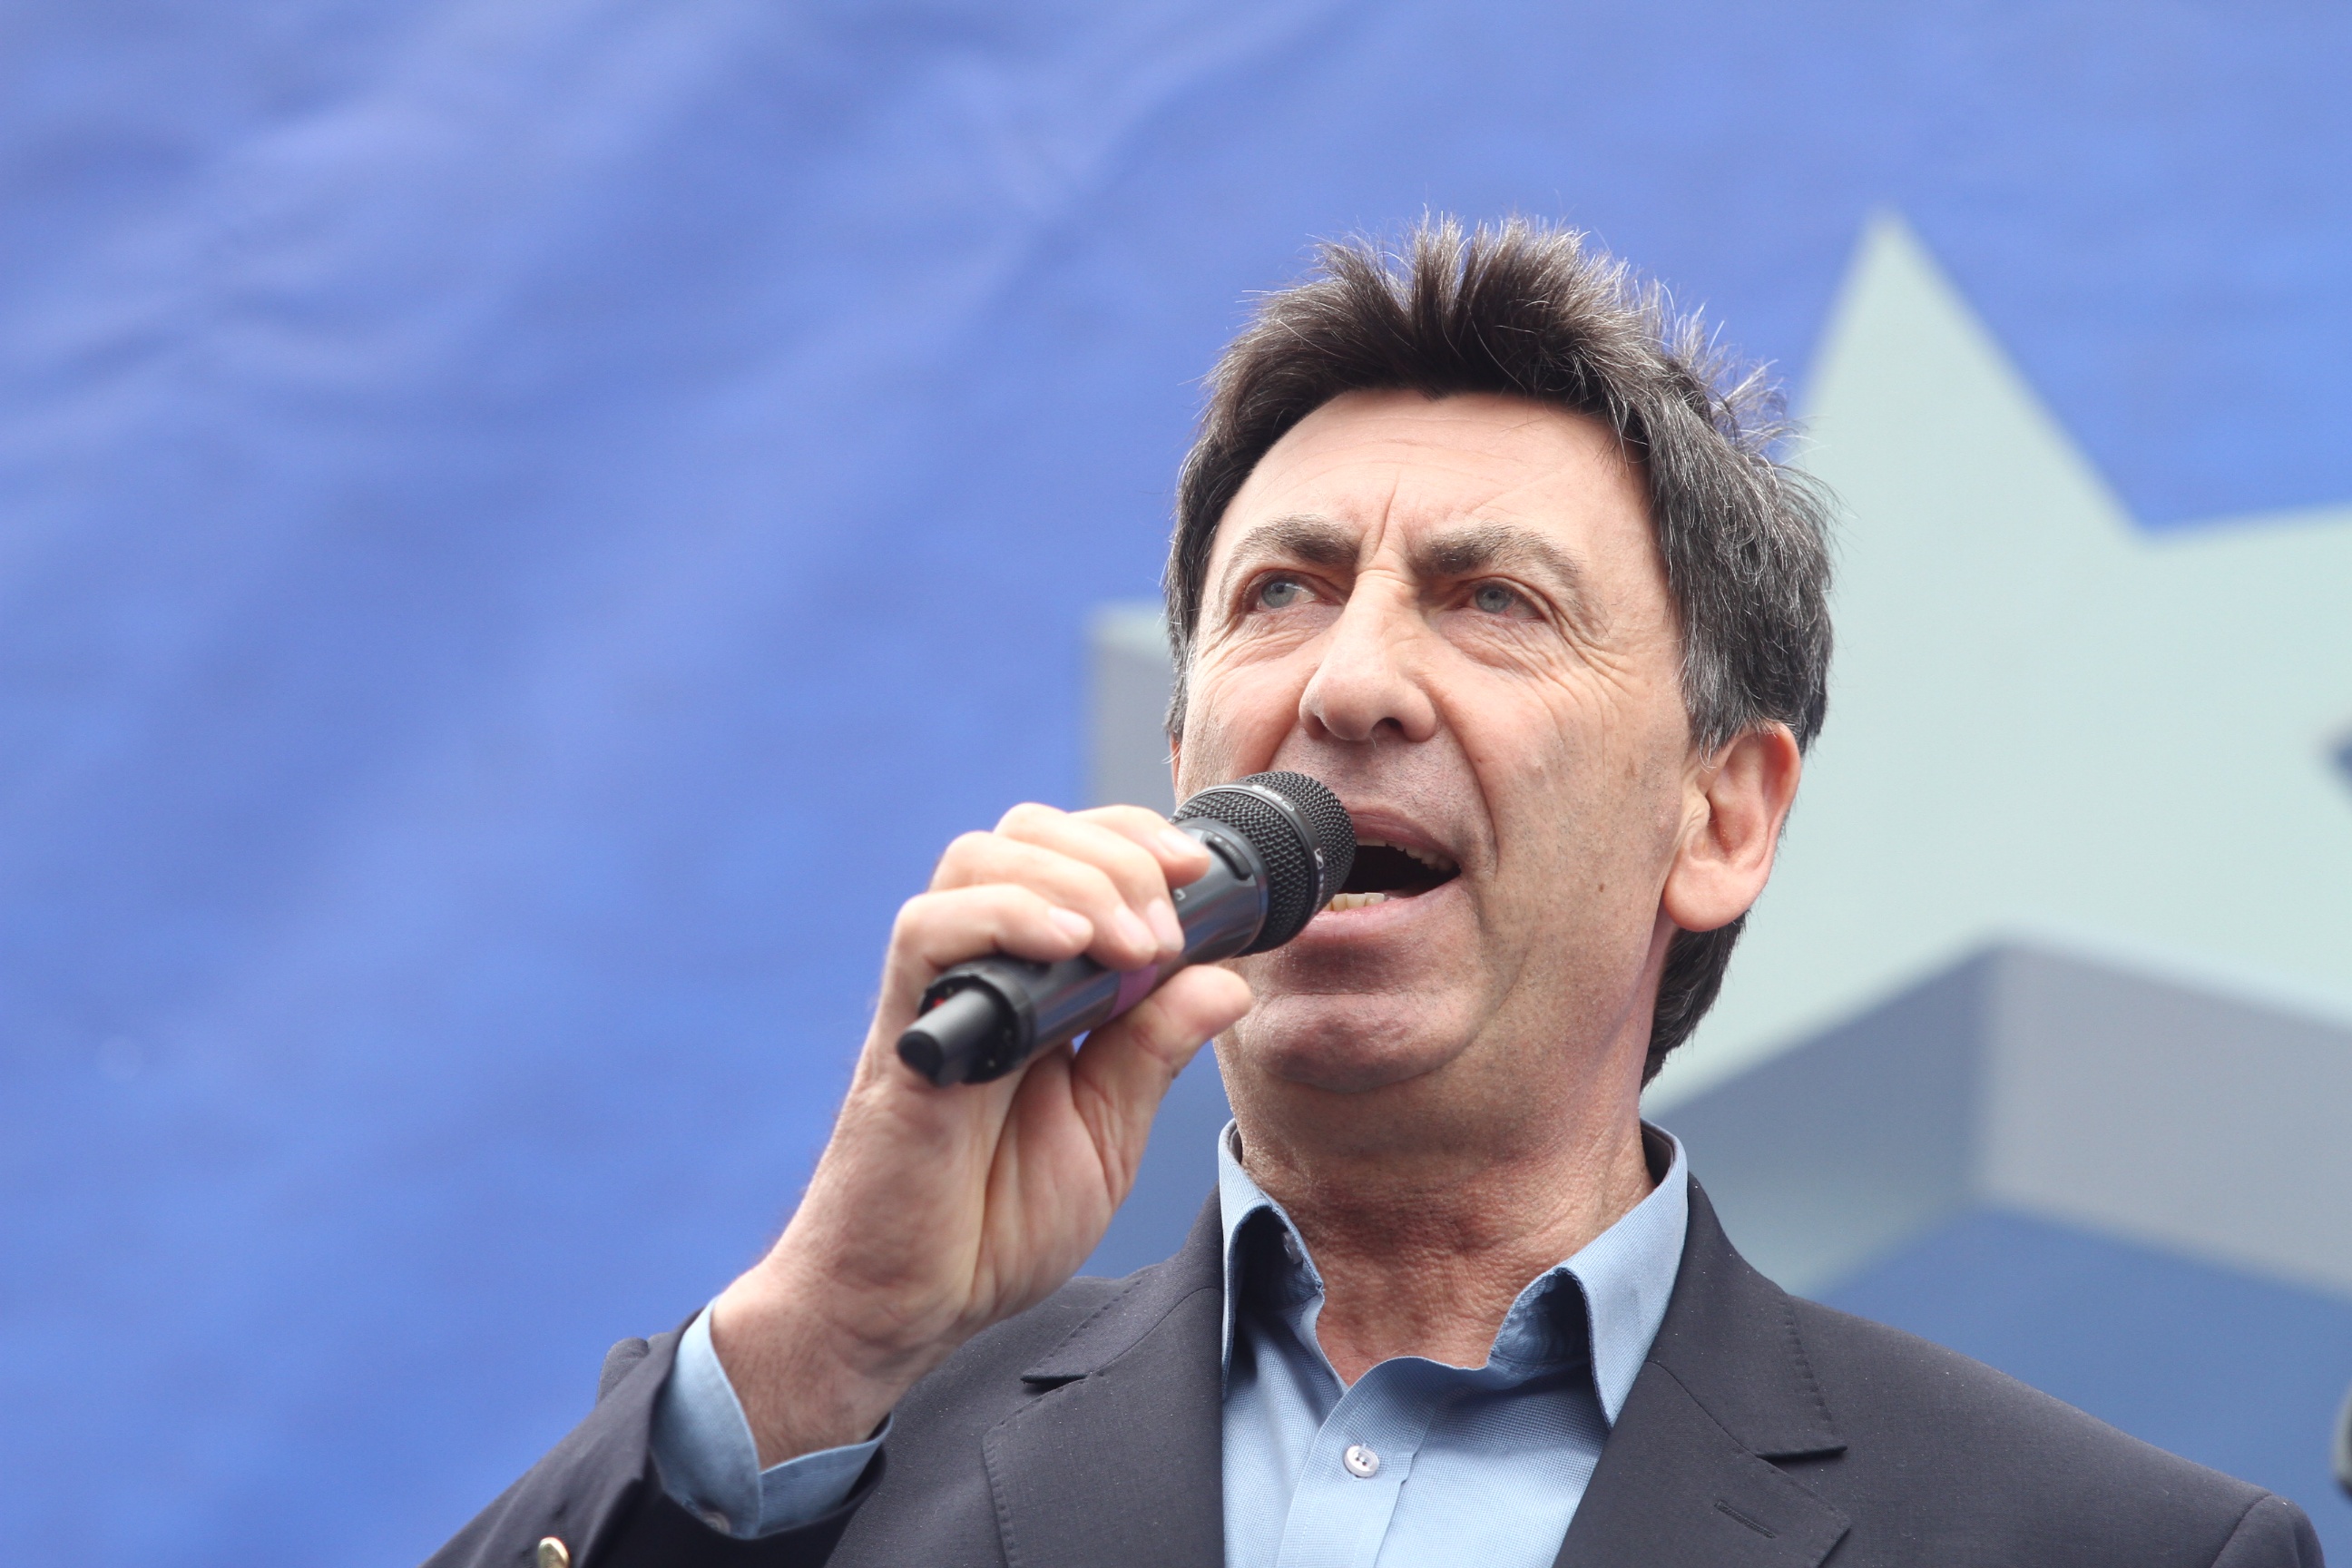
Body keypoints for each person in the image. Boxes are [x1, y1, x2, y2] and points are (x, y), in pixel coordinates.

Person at [429, 219, 2323, 1568]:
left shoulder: (2099, 1545)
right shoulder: (808, 1459)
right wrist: (832, 1331)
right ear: (1185, 758)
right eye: (1282, 592)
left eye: (1494, 601)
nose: (1348, 684)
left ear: (1723, 817)